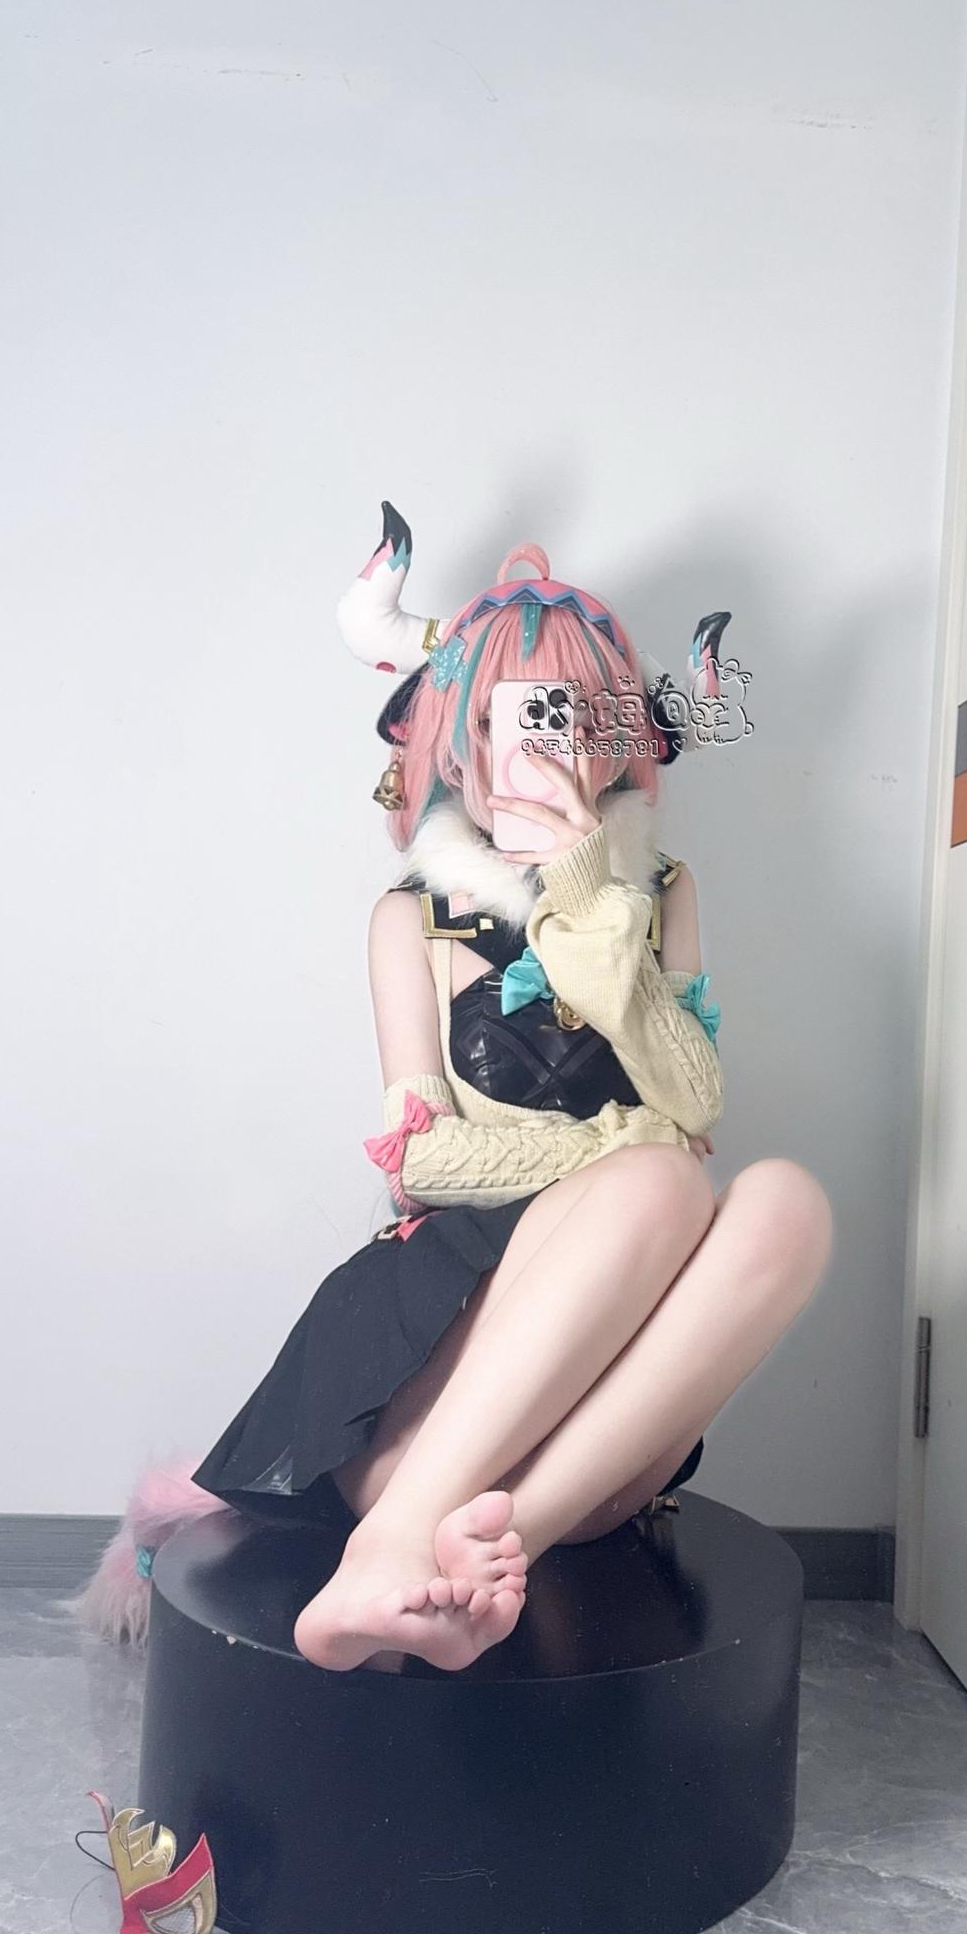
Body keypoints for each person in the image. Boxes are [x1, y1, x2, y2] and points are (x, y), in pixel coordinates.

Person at [189, 509, 833, 1674]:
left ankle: (487, 1556)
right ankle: (390, 1542)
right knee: (656, 1184)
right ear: (461, 742)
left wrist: (592, 901)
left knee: (788, 1202)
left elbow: (697, 1104)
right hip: (432, 1390)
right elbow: (422, 1157)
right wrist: (634, 1152)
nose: (539, 745)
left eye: (568, 715)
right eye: (509, 717)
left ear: (611, 738)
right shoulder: (411, 920)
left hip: (584, 1461)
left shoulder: (660, 894)